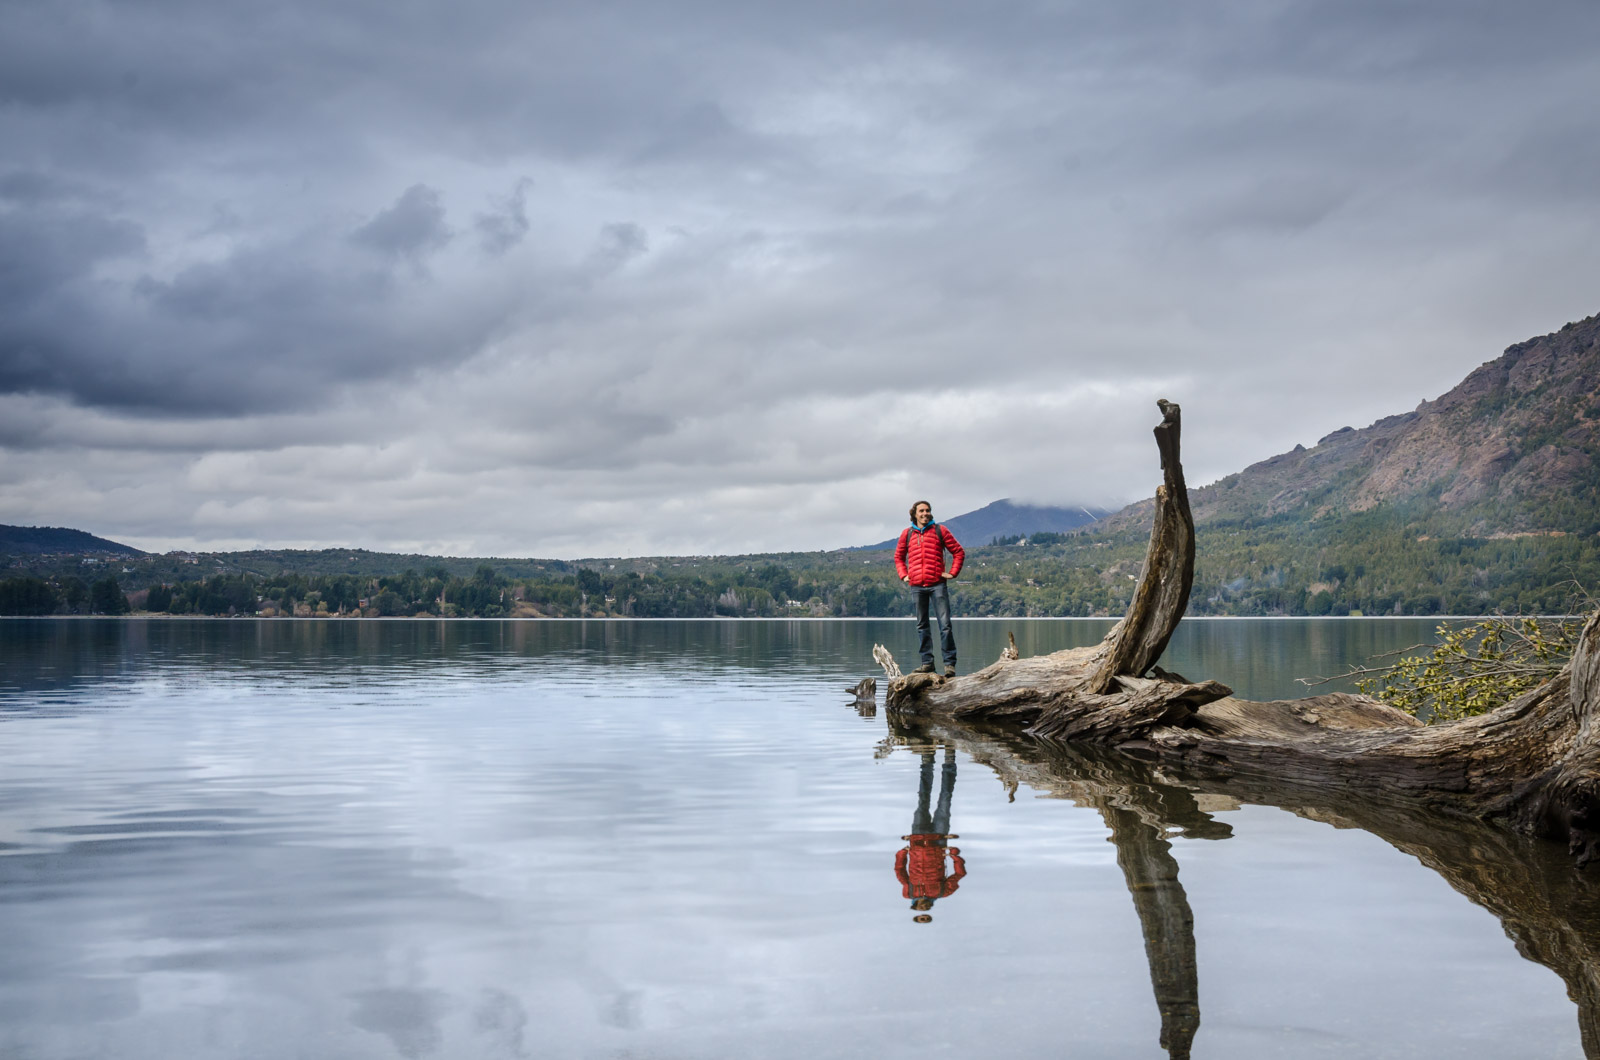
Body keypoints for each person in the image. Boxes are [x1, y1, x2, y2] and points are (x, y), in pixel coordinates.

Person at [894, 745, 965, 922]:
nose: (923, 912)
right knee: (945, 798)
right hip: (940, 840)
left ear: (915, 907)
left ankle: (927, 759)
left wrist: (904, 850)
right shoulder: (943, 892)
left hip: (916, 839)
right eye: (926, 916)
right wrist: (953, 853)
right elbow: (959, 874)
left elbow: (899, 869)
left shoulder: (908, 891)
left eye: (920, 915)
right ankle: (949, 758)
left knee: (922, 796)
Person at [894, 500, 964, 677]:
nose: (925, 513)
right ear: (914, 514)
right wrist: (904, 575)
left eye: (928, 510)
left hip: (938, 585)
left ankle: (949, 665)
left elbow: (958, 552)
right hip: (917, 586)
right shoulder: (907, 534)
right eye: (921, 511)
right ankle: (927, 663)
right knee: (922, 625)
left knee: (945, 625)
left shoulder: (940, 531)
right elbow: (898, 557)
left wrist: (952, 573)